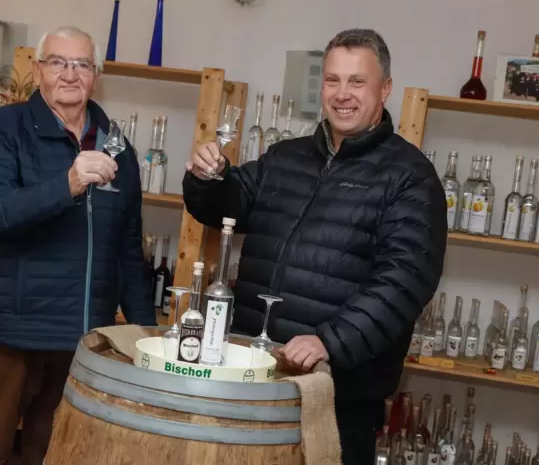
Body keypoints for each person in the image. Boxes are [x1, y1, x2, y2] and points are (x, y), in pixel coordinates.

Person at [182, 28, 447, 464]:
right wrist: (208, 177)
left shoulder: (410, 177)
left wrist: (330, 340)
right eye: (332, 80)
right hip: (253, 374)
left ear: (385, 90)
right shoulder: (286, 157)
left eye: (356, 82)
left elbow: (405, 281)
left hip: (333, 394)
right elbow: (228, 204)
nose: (342, 94)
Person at [0, 26, 156, 465]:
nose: (70, 74)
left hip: (83, 338)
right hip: (13, 333)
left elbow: (128, 248)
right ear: (37, 69)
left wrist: (145, 336)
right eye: (58, 62)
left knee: (56, 455)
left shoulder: (119, 148)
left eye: (82, 64)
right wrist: (66, 184)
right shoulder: (3, 127)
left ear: (96, 75)